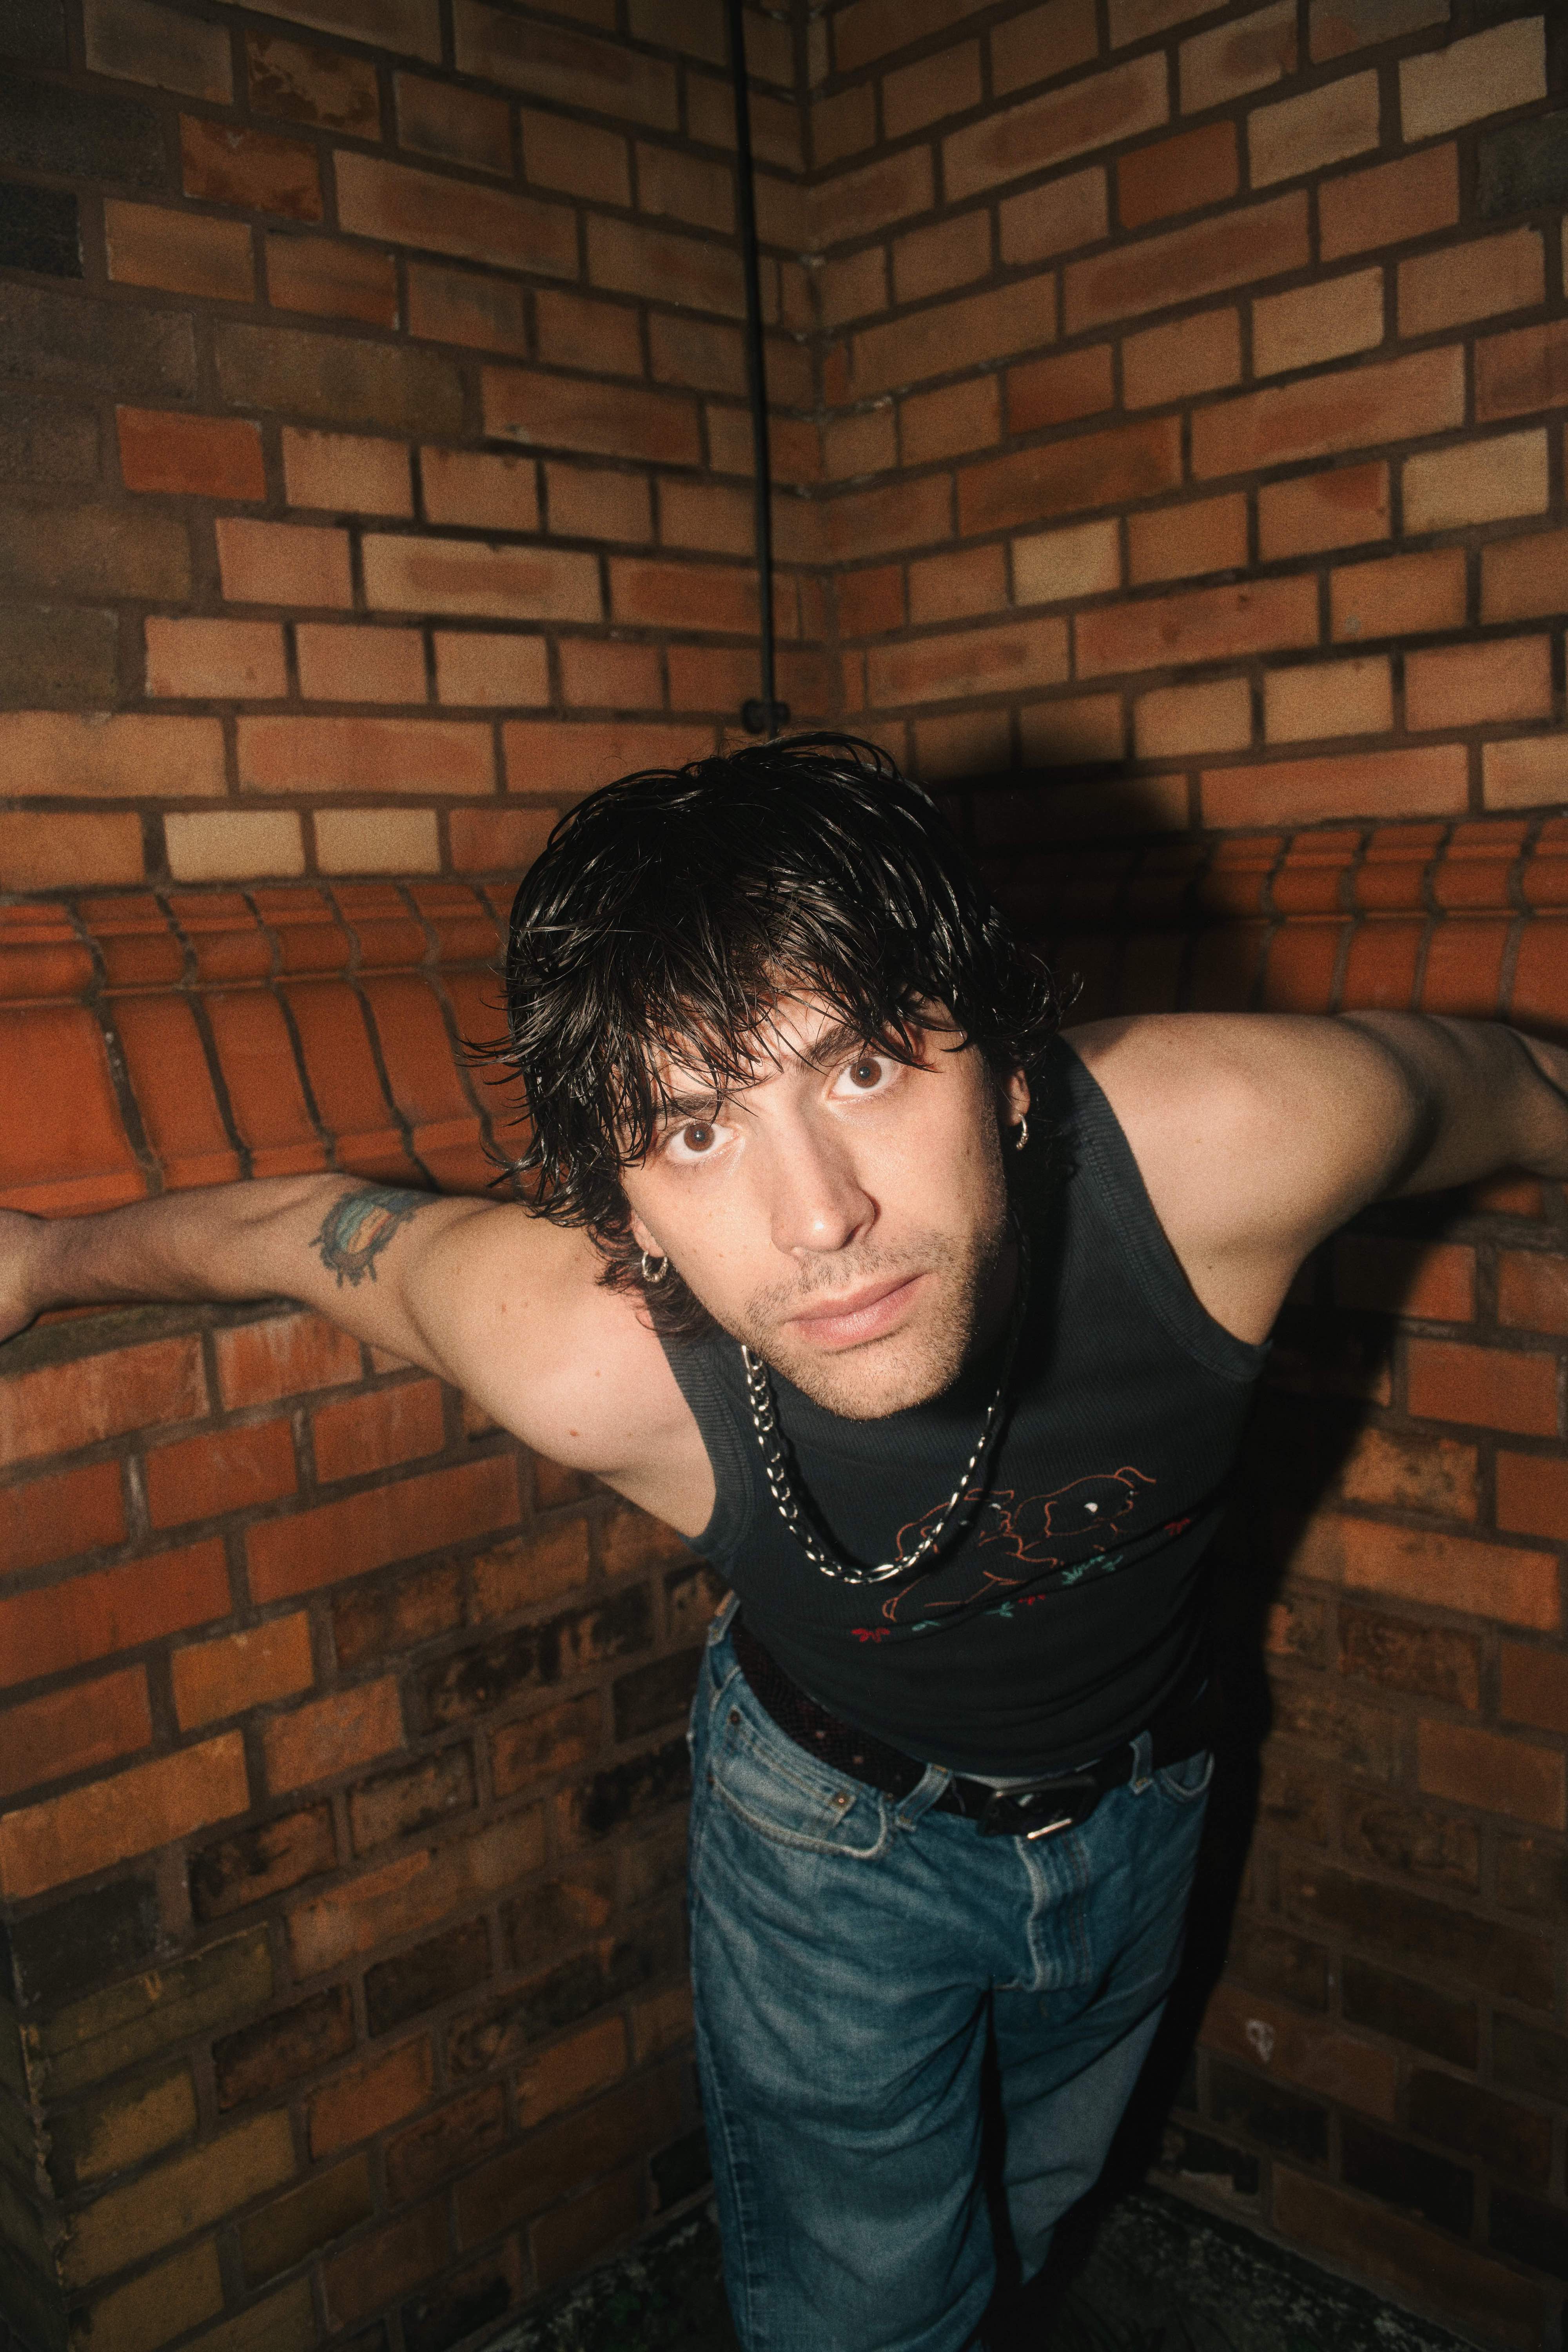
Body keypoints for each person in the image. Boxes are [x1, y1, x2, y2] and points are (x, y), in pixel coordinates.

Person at [4, 735, 1566, 2352]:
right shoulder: (580, 1355)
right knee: (866, 2311)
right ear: (621, 1210)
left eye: (867, 1066)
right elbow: (301, 1233)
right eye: (693, 1130)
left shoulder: (1231, 1144)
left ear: (1008, 1067)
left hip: (1151, 1793)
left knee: (1040, 2211)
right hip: (831, 1848)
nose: (819, 1217)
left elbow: (1516, 1087)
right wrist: (42, 1261)